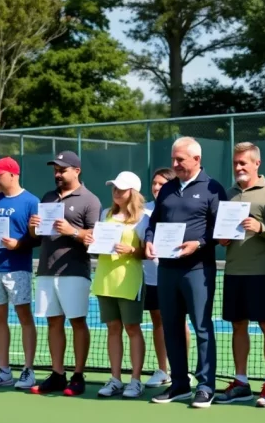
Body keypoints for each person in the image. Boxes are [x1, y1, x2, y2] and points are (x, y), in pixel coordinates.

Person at [146, 136, 227, 408]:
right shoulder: (167, 189)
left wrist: (200, 244)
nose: (175, 164)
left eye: (180, 159)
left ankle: (205, 386)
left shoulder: (213, 188)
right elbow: (153, 223)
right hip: (166, 270)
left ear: (197, 159)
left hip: (197, 269)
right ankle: (179, 384)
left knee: (202, 327)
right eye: (173, 159)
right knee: (171, 327)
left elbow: (221, 230)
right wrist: (148, 240)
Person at [215, 142, 265, 408]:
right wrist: (222, 239)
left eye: (244, 163)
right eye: (235, 163)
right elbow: (223, 230)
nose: (239, 167)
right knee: (237, 325)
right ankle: (241, 382)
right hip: (233, 271)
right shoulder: (228, 194)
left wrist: (261, 226)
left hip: (261, 272)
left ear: (257, 164)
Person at [28, 151, 100, 397]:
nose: (57, 174)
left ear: (76, 170)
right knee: (53, 322)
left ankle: (78, 375)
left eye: (62, 169)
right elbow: (37, 237)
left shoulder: (90, 200)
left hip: (74, 271)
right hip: (46, 271)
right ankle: (58, 374)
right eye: (55, 170)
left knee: (77, 322)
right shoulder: (48, 197)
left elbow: (95, 240)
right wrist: (32, 227)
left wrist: (73, 231)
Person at [0, 157, 40, 390]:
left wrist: (19, 244)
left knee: (24, 317)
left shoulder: (31, 201)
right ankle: (3, 369)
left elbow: (36, 238)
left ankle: (28, 370)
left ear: (13, 174)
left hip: (17, 269)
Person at [91, 171, 149, 399]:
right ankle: (115, 379)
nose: (116, 192)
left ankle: (135, 381)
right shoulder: (105, 214)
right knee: (112, 329)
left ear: (132, 193)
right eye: (114, 188)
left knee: (132, 329)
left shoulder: (144, 218)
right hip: (105, 280)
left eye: (121, 189)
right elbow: (98, 247)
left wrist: (133, 250)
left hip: (129, 280)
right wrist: (92, 243)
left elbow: (150, 251)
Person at [143, 167, 191, 388]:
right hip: (152, 277)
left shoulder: (177, 207)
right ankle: (163, 370)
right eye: (154, 183)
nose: (156, 187)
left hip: (176, 273)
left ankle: (184, 370)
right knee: (157, 321)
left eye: (161, 184)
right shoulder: (144, 211)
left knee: (180, 322)